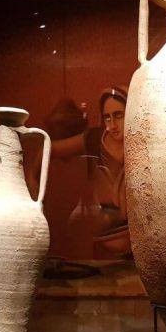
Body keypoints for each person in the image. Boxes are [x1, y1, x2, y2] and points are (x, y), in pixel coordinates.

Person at [28, 86, 129, 258]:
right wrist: (31, 178)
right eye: (107, 117)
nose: (112, 125)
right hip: (103, 232)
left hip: (135, 232)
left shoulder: (142, 143)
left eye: (119, 115)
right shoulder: (95, 139)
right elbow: (49, 149)